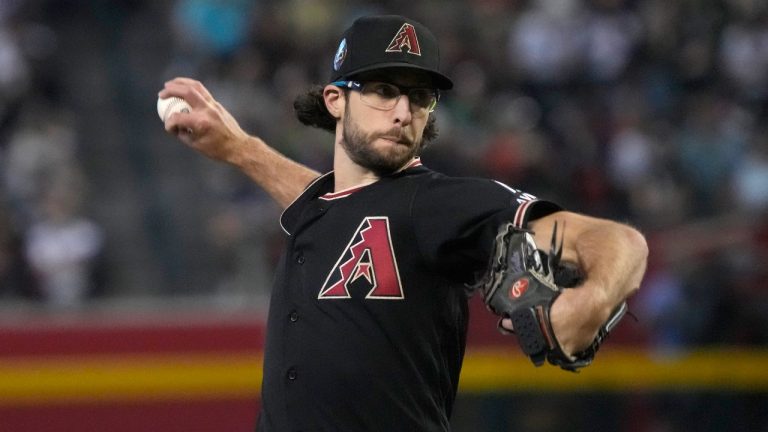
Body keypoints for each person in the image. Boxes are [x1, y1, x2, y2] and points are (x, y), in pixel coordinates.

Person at [159, 14, 648, 432]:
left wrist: (594, 298)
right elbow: (332, 200)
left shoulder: (437, 203)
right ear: (335, 100)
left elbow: (618, 240)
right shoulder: (328, 207)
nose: (402, 112)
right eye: (383, 90)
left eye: (420, 97)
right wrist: (239, 149)